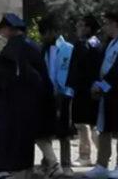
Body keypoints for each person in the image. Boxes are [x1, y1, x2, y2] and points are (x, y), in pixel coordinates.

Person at [0, 13, 53, 179]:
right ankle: (25, 172)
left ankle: (21, 173)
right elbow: (43, 76)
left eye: (3, 29)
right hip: (30, 101)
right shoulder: (32, 45)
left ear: (9, 29)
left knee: (17, 140)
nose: (2, 33)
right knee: (24, 140)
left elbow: (7, 75)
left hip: (16, 101)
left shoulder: (13, 48)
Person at [85, 12, 118, 179]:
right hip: (105, 92)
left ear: (115, 24)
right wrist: (96, 83)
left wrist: (103, 86)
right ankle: (102, 164)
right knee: (104, 129)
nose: (105, 27)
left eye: (107, 23)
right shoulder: (108, 43)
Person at [36, 18, 75, 178]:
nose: (43, 37)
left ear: (53, 31)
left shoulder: (68, 48)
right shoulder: (42, 49)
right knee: (46, 130)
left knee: (64, 130)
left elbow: (70, 72)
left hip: (64, 94)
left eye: (44, 33)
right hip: (46, 94)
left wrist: (65, 90)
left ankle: (66, 164)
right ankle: (48, 164)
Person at [69, 15, 103, 168]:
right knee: (92, 123)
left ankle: (85, 155)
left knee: (83, 123)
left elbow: (80, 69)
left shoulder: (85, 45)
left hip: (84, 89)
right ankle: (103, 153)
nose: (78, 28)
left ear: (88, 28)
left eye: (81, 25)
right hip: (91, 88)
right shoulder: (97, 43)